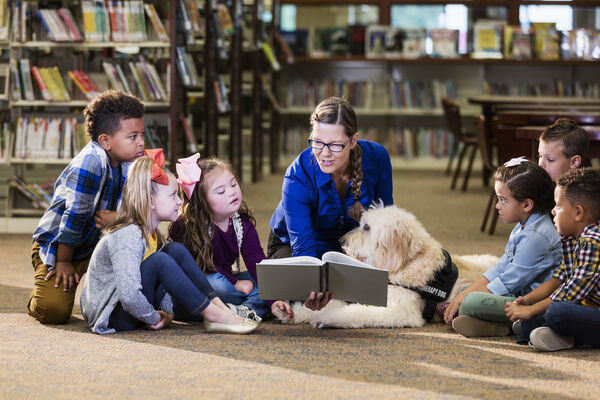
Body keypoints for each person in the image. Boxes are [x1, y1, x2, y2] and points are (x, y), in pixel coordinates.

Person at [80, 150, 259, 335]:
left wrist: (167, 313)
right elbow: (128, 295)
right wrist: (153, 317)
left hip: (134, 307)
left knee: (175, 250)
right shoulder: (128, 235)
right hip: (113, 315)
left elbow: (163, 283)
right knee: (160, 260)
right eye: (173, 195)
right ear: (150, 201)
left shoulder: (153, 235)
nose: (179, 201)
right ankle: (214, 314)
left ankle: (218, 308)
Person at [267, 96, 393, 320]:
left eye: (335, 145)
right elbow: (303, 251)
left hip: (351, 246)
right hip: (296, 247)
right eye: (317, 142)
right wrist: (311, 285)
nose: (324, 153)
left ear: (353, 140)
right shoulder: (297, 175)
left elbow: (384, 221)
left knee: (392, 285)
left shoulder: (378, 157)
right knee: (304, 292)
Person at [28, 89, 145, 324]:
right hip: (61, 247)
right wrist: (63, 262)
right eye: (133, 137)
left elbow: (144, 208)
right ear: (105, 140)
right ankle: (37, 298)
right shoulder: (92, 162)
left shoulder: (130, 161)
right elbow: (74, 218)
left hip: (96, 246)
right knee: (53, 311)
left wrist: (120, 218)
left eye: (142, 134)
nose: (141, 142)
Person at [443, 157, 561, 337]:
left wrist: (464, 299)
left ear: (527, 205)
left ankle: (509, 323)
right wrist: (463, 294)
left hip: (531, 304)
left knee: (471, 302)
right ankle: (498, 327)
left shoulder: (535, 237)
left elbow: (508, 282)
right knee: (463, 290)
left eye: (503, 200)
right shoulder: (524, 225)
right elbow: (500, 267)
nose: (497, 206)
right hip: (517, 293)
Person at [505, 168, 600, 351]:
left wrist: (532, 310)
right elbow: (560, 278)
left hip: (591, 308)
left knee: (558, 312)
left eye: (557, 205)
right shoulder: (571, 237)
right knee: (540, 314)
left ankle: (572, 339)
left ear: (578, 213)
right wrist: (527, 300)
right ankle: (551, 333)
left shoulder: (593, 242)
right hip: (588, 305)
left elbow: (571, 294)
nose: (553, 211)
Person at [169, 155, 268, 321]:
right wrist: (236, 284)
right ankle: (240, 307)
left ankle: (243, 310)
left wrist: (274, 298)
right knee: (218, 284)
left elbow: (256, 260)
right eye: (221, 191)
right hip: (197, 283)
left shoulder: (240, 222)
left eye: (233, 184)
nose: (231, 192)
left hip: (227, 280)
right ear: (201, 202)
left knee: (267, 278)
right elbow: (205, 266)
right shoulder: (187, 226)